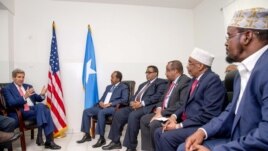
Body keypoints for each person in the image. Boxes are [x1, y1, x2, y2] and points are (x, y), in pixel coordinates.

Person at [178, 7, 268, 151]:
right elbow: (230, 112)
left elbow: (265, 136)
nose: (226, 43)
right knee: (185, 147)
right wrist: (203, 131)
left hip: (253, 144)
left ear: (247, 36)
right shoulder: (240, 73)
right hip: (237, 138)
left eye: (229, 36)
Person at [154, 48, 226, 151]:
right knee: (158, 132)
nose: (187, 66)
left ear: (200, 66)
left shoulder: (213, 81)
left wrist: (178, 126)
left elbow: (209, 115)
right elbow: (185, 104)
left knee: (166, 137)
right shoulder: (194, 80)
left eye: (190, 63)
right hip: (188, 121)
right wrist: (174, 116)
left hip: (200, 125)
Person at [102, 65, 167, 151]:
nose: (147, 74)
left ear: (155, 73)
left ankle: (131, 147)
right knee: (118, 113)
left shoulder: (161, 83)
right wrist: (132, 102)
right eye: (146, 72)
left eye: (149, 72)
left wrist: (142, 103)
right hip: (134, 106)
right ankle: (115, 142)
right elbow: (134, 96)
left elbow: (157, 96)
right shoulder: (142, 84)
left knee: (133, 116)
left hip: (146, 107)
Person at [2, 69, 61, 149]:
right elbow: (11, 103)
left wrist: (42, 94)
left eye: (23, 77)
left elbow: (37, 98)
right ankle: (48, 141)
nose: (21, 79)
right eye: (19, 77)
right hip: (20, 110)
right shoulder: (7, 88)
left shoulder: (27, 86)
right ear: (13, 78)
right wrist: (24, 97)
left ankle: (42, 138)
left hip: (33, 109)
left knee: (41, 106)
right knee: (45, 110)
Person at [140, 60, 191, 151]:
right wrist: (159, 109)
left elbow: (181, 103)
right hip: (163, 112)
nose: (165, 73)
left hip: (173, 115)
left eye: (167, 70)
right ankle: (148, 149)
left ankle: (156, 148)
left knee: (154, 124)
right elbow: (162, 98)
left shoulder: (185, 81)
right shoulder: (170, 82)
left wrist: (162, 113)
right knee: (144, 119)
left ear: (175, 71)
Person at [77, 71, 129, 148]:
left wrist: (110, 104)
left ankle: (101, 138)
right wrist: (101, 102)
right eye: (111, 77)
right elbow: (102, 98)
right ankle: (87, 135)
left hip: (113, 107)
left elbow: (124, 100)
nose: (110, 79)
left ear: (118, 78)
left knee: (101, 112)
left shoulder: (123, 87)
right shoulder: (108, 87)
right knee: (86, 111)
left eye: (112, 77)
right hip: (102, 106)